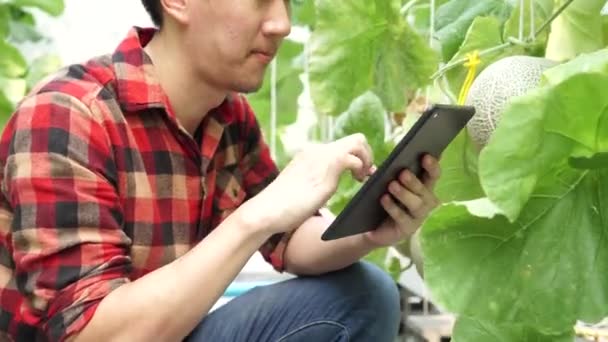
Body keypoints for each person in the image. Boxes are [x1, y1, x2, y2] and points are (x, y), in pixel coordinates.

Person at [0, 0, 442, 341]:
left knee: (366, 293)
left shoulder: (228, 117)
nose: (282, 24)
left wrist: (369, 229)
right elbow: (92, 334)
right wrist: (259, 214)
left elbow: (288, 242)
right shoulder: (67, 115)